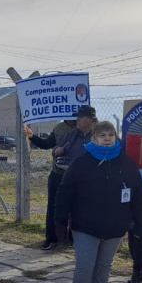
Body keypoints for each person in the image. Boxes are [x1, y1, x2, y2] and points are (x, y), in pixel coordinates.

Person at [55, 121, 142, 283]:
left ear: (116, 138)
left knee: (103, 267)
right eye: (102, 135)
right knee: (85, 265)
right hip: (85, 226)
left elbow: (138, 194)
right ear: (94, 139)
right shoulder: (81, 163)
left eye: (111, 134)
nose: (107, 138)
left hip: (114, 227)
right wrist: (60, 221)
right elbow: (65, 192)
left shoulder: (126, 163)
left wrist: (141, 222)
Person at [24, 119, 76, 250]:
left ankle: (72, 239)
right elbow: (47, 143)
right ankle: (51, 238)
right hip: (58, 173)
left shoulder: (85, 127)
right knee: (53, 206)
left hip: (77, 175)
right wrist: (32, 136)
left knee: (75, 209)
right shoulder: (59, 127)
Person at [52, 105, 97, 246]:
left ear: (92, 120)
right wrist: (57, 151)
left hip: (92, 181)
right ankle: (69, 239)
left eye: (81, 117)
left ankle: (88, 241)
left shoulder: (102, 134)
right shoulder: (71, 134)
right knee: (70, 211)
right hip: (70, 177)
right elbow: (55, 149)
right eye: (77, 117)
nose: (77, 120)